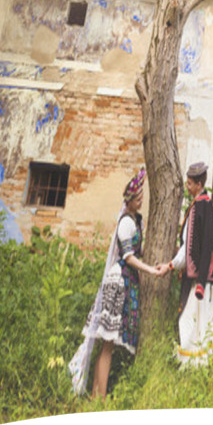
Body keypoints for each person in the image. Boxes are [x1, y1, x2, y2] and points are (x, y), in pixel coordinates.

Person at [69, 168, 160, 398]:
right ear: (129, 201)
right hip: (118, 282)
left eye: (142, 198)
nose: (141, 202)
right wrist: (150, 269)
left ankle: (96, 395)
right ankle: (98, 397)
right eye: (138, 199)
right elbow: (128, 257)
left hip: (124, 281)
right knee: (107, 343)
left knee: (107, 344)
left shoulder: (134, 220)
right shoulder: (126, 223)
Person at [157, 161, 213, 367]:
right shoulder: (204, 205)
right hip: (204, 279)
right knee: (200, 325)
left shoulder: (198, 209)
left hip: (197, 282)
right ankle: (197, 369)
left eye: (189, 183)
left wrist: (169, 266)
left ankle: (191, 370)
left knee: (190, 324)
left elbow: (191, 250)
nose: (187, 186)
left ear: (198, 184)